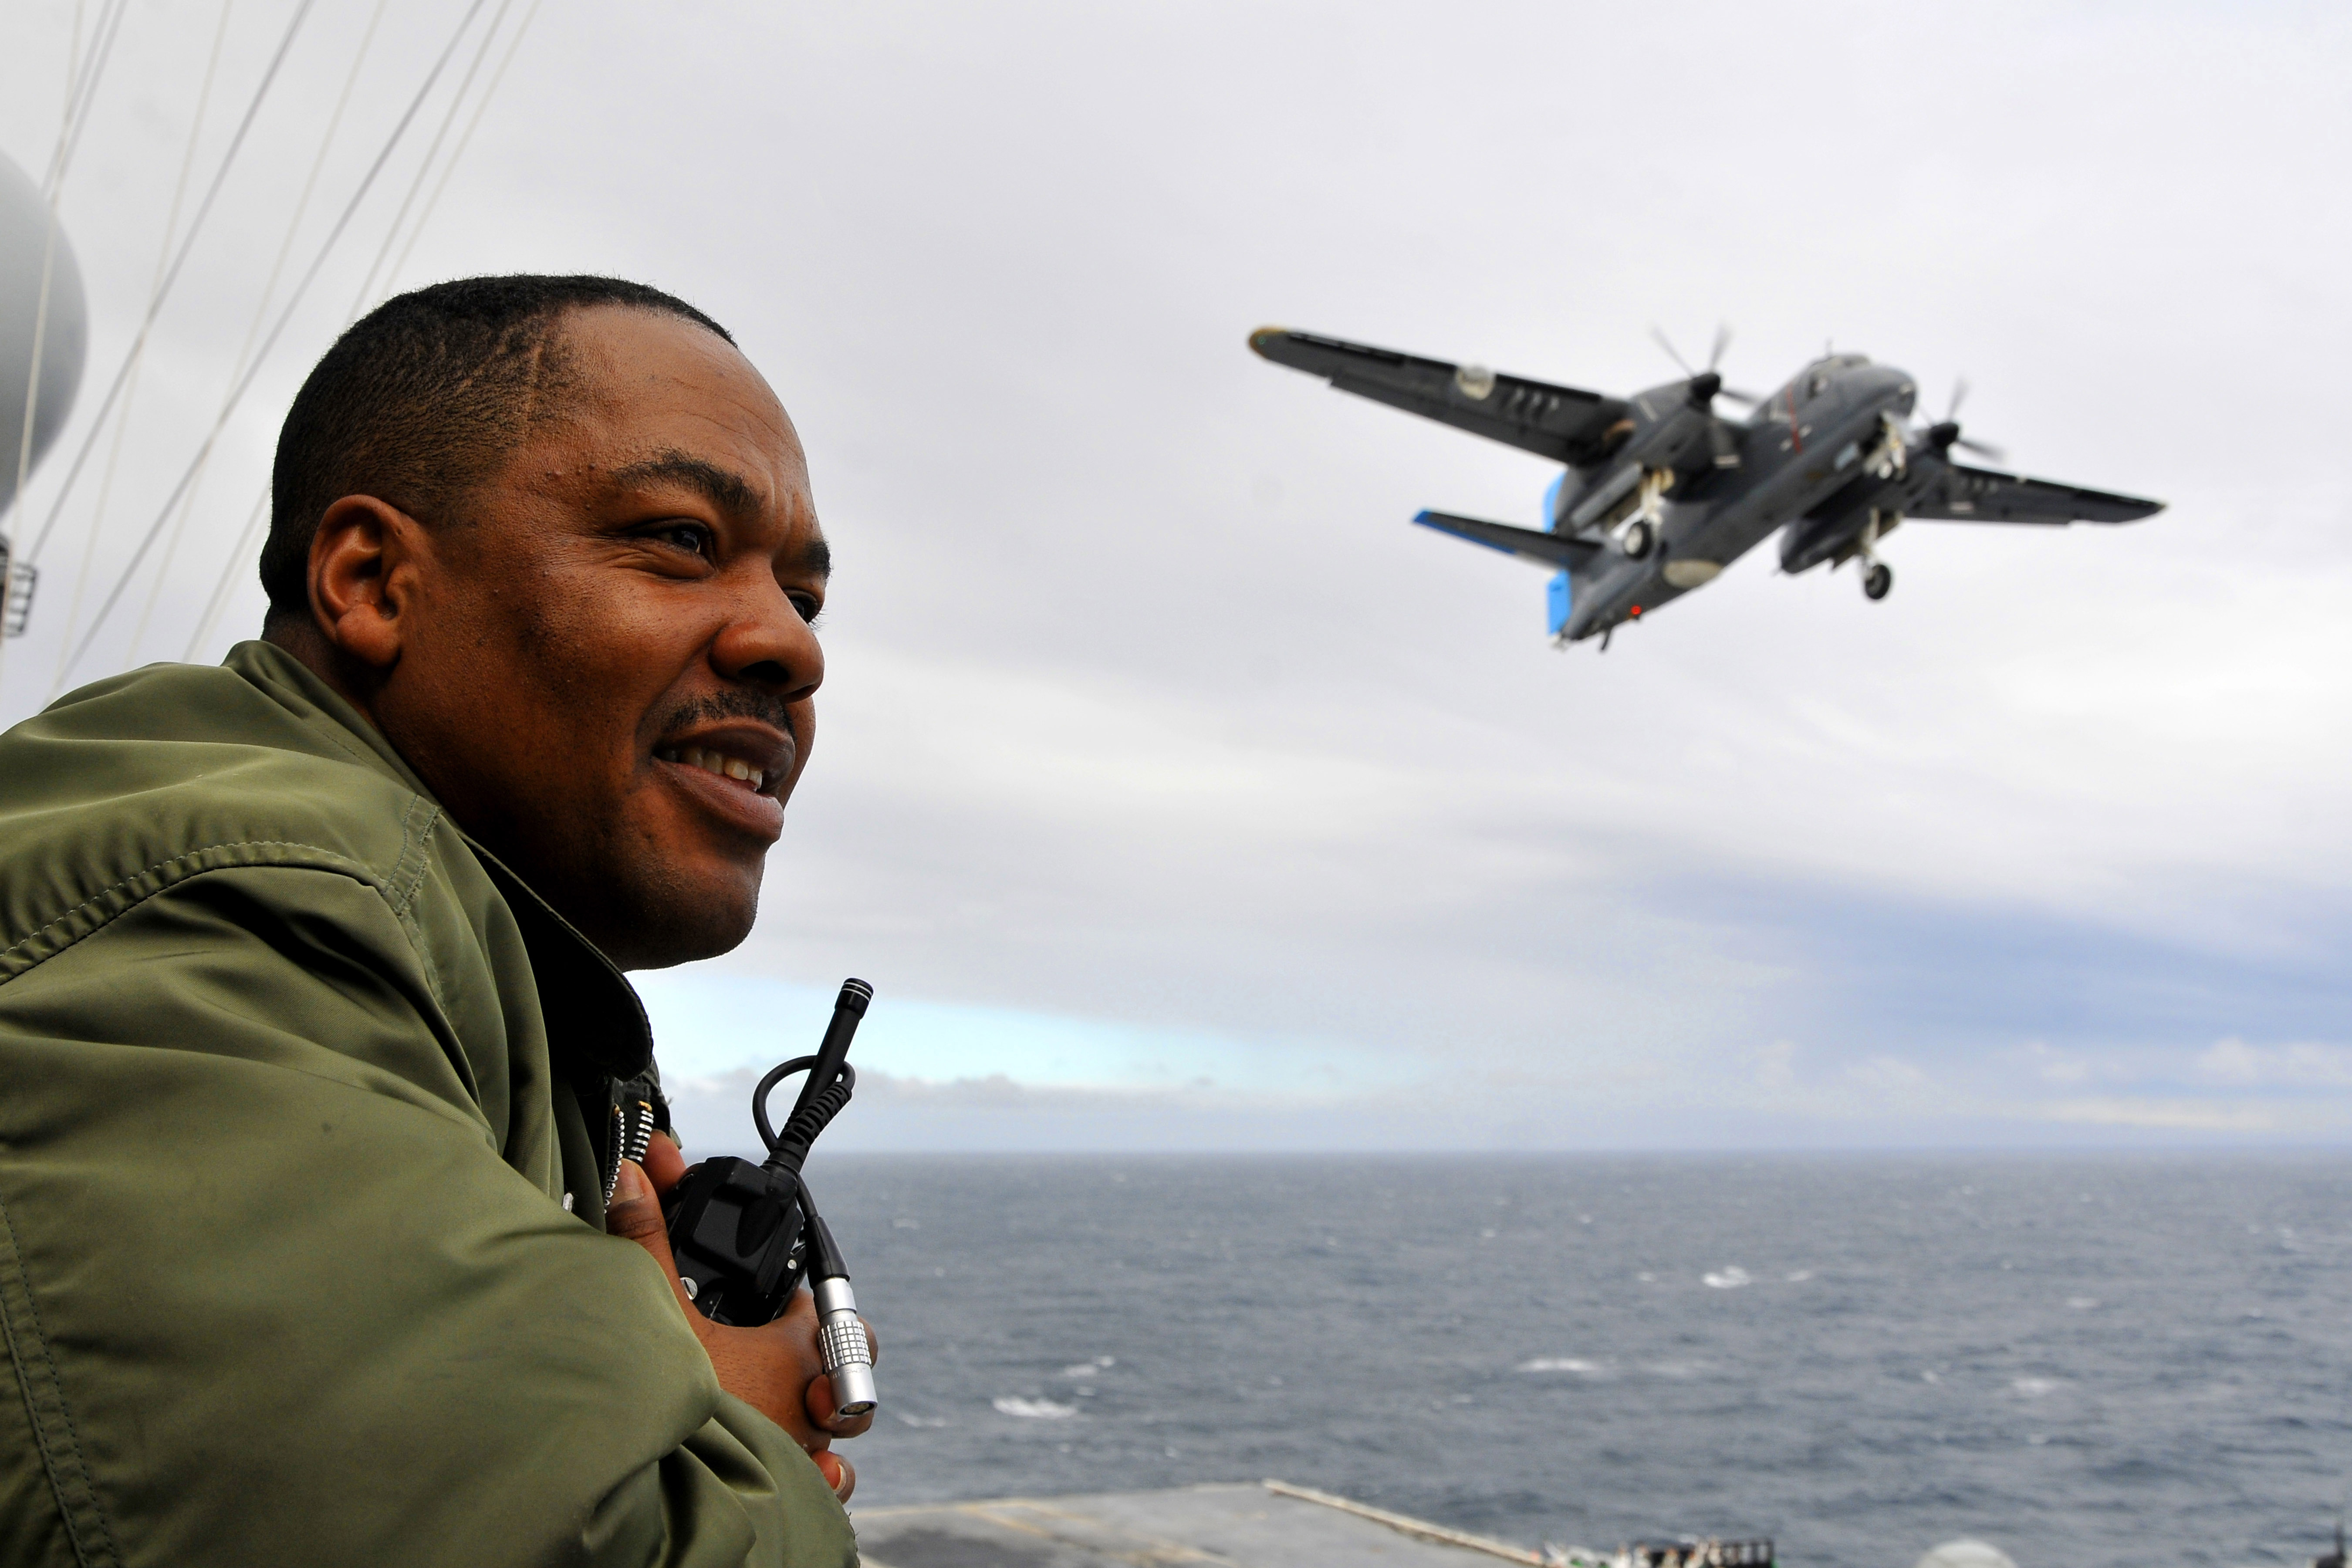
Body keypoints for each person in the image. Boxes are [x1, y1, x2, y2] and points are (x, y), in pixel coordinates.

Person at [0, 276, 869, 1565]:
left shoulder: (441, 939)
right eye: (682, 540)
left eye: (805, 599)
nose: (791, 650)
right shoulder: (240, 903)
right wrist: (709, 1423)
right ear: (372, 580)